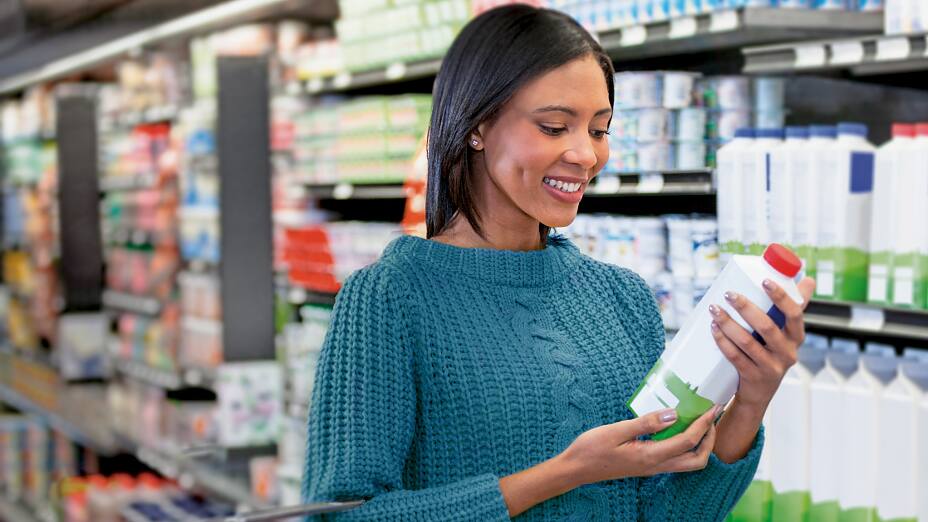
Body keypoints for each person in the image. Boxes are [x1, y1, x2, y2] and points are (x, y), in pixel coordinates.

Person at [301, 4, 816, 520]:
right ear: (476, 125)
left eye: (599, 129)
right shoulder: (388, 299)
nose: (585, 156)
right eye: (554, 127)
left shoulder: (622, 298)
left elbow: (667, 512)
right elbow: (343, 515)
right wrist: (567, 472)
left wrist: (750, 399)